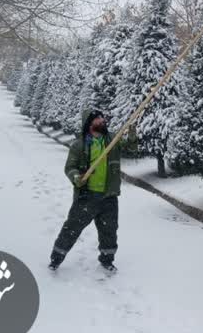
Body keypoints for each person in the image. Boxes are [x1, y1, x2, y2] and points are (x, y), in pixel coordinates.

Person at [48, 109, 137, 272]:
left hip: (109, 196)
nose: (102, 120)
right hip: (87, 196)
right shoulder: (79, 145)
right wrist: (77, 177)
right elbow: (70, 167)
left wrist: (132, 135)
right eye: (98, 119)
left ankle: (107, 260)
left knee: (109, 230)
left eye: (102, 118)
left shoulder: (112, 140)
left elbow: (131, 149)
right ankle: (56, 259)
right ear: (89, 123)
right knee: (72, 228)